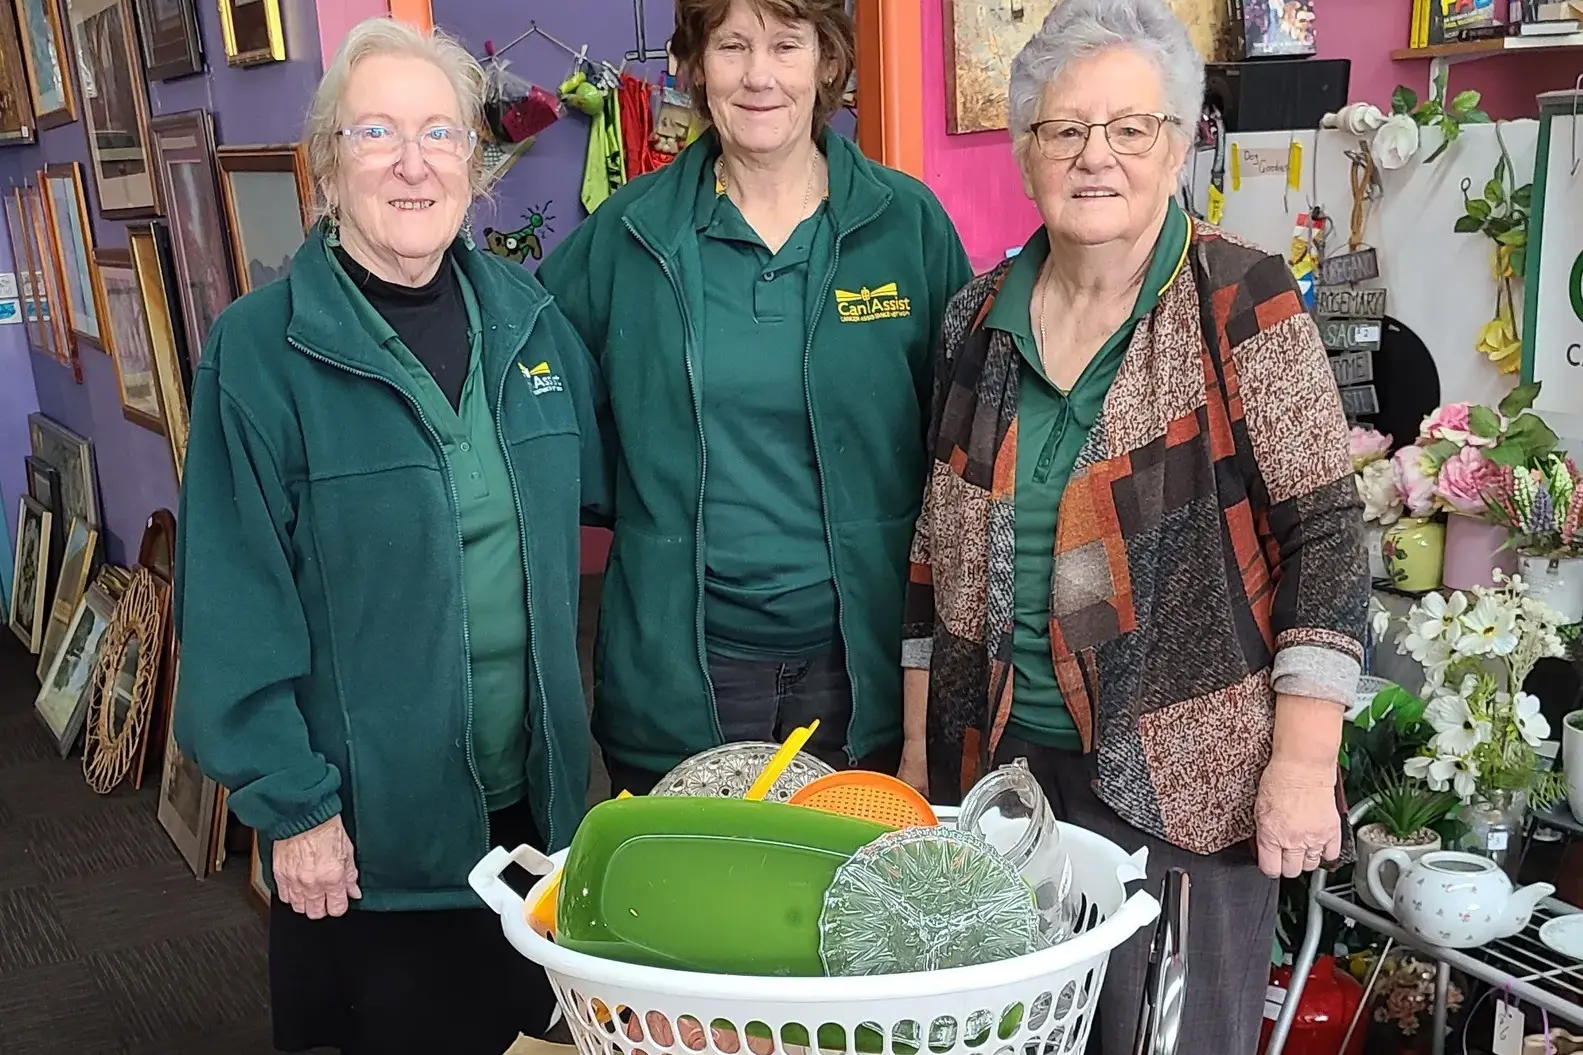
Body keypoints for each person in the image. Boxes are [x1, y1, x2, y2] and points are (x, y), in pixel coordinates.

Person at [899, 0, 1366, 1051]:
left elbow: (1327, 532)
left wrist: (1300, 761)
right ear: (1025, 152)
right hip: (1004, 772)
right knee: (1010, 1033)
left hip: (1185, 784)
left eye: (1128, 129)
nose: (1093, 156)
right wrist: (922, 762)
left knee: (1167, 1038)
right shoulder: (976, 317)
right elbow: (934, 551)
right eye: (1063, 129)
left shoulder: (1238, 294)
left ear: (1175, 146)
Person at [173, 18, 608, 1055]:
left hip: (532, 816)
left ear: (475, 162)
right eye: (376, 133)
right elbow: (231, 604)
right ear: (327, 166)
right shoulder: (259, 352)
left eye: (440, 133)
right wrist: (293, 808)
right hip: (369, 840)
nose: (413, 163)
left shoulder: (531, 324)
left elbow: (586, 519)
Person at [538, 0, 972, 795]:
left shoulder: (905, 225)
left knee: (847, 904)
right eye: (732, 46)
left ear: (827, 63)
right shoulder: (631, 234)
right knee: (689, 908)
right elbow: (543, 386)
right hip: (682, 662)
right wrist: (636, 502)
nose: (759, 74)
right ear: (695, 66)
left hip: (860, 661)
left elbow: (963, 434)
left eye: (785, 44)